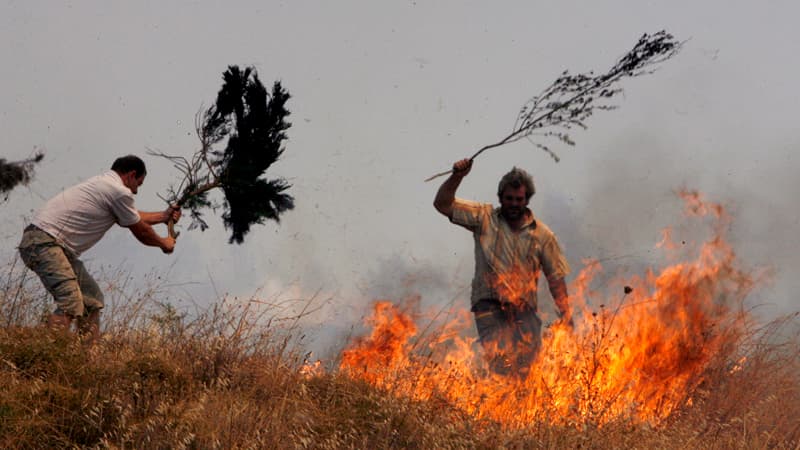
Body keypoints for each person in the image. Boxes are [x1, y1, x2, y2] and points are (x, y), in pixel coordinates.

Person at [17, 155, 181, 342]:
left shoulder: (106, 185)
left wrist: (163, 216)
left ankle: (86, 360)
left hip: (49, 244)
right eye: (139, 184)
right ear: (132, 175)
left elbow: (132, 216)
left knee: (91, 300)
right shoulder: (118, 191)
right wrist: (164, 243)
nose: (136, 192)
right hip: (44, 242)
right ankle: (45, 358)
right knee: (70, 302)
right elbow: (141, 231)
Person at [433, 158, 571, 376]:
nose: (514, 204)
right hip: (489, 305)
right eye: (509, 199)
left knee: (527, 370)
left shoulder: (543, 236)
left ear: (527, 199)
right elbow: (442, 204)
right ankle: (500, 400)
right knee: (501, 364)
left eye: (519, 199)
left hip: (524, 310)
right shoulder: (483, 218)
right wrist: (457, 176)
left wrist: (566, 314)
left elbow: (555, 278)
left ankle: (518, 407)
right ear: (500, 198)